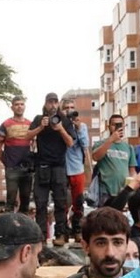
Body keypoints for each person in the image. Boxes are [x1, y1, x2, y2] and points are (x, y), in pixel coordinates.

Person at [29, 92, 78, 246]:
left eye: (55, 102)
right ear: (45, 104)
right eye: (50, 102)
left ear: (58, 104)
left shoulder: (64, 120)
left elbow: (70, 143)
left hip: (59, 166)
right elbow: (27, 136)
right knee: (40, 204)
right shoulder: (38, 119)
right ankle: (41, 237)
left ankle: (61, 234)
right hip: (42, 166)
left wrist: (60, 128)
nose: (53, 105)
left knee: (61, 202)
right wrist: (40, 127)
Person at [0, 94, 35, 214]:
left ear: (25, 106)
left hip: (27, 169)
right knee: (11, 199)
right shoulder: (5, 124)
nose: (19, 107)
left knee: (26, 199)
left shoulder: (31, 124)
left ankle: (23, 223)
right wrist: (7, 162)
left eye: (22, 104)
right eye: (16, 104)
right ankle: (9, 224)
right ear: (12, 107)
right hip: (12, 168)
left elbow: (35, 144)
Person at [62, 95, 91, 237]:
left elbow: (85, 145)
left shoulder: (82, 126)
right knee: (62, 202)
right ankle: (63, 231)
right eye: (66, 108)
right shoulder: (58, 125)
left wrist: (78, 128)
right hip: (62, 168)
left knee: (78, 201)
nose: (69, 110)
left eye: (72, 108)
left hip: (77, 168)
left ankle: (77, 229)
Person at [91, 113, 136, 205]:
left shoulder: (129, 147)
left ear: (124, 126)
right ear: (109, 127)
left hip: (123, 191)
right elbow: (95, 157)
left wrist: (133, 184)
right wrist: (111, 139)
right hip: (105, 191)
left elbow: (132, 170)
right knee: (105, 213)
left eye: (120, 124)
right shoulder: (100, 144)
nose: (117, 127)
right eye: (114, 125)